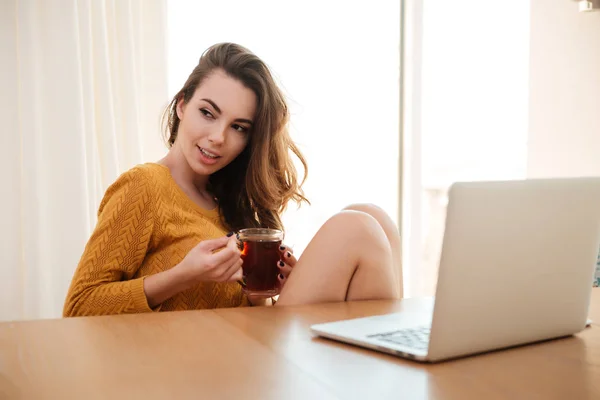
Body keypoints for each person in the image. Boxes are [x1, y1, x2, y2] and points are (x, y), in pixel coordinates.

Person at [63, 42, 402, 317]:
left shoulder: (230, 201)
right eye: (207, 113)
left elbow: (248, 309)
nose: (218, 137)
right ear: (182, 105)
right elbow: (79, 307)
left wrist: (269, 290)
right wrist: (185, 274)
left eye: (238, 127)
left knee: (375, 218)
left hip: (245, 348)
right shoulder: (144, 186)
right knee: (357, 228)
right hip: (202, 363)